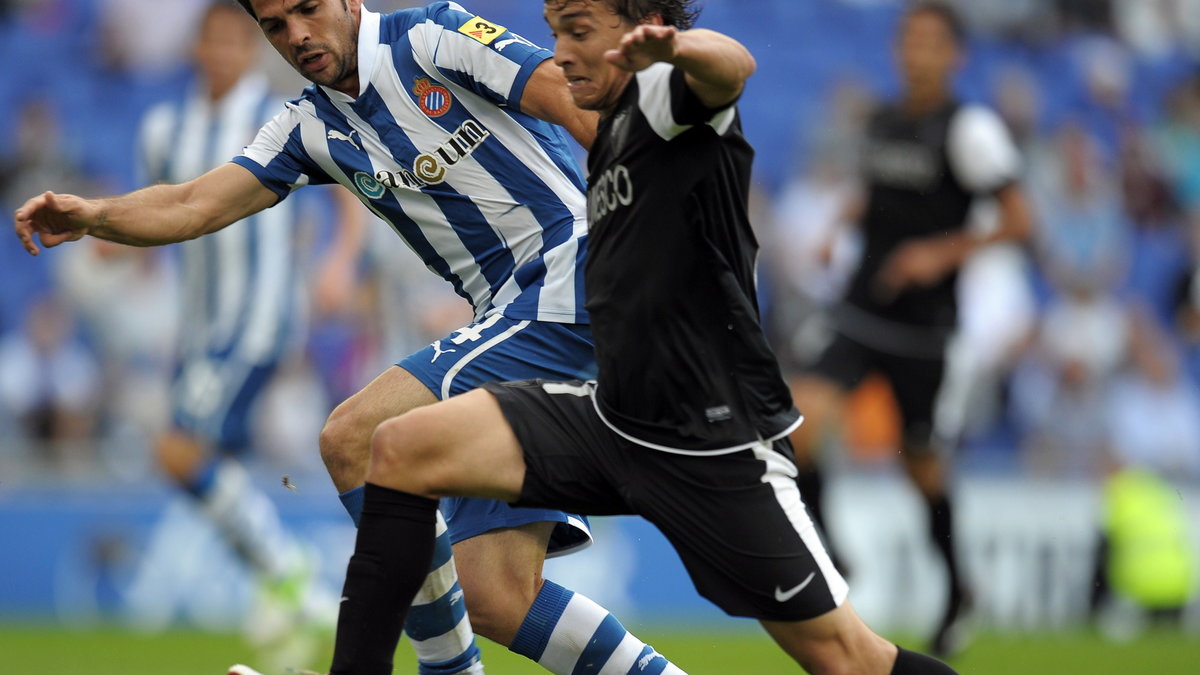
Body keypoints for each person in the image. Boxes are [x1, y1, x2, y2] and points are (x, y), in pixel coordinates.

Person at [287, 1, 961, 673]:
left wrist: (674, 50)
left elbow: (734, 67)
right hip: (612, 420)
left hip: (713, 439)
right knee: (399, 444)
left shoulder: (667, 101)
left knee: (850, 659)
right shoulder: (604, 139)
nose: (559, 52)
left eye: (577, 33)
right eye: (555, 33)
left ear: (636, 30)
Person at [14, 1, 684, 674]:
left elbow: (574, 104)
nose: (298, 35)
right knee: (494, 594)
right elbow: (194, 203)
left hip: (581, 273)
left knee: (355, 436)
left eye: (308, 9)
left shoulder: (433, 35)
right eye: (276, 25)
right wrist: (96, 214)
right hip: (509, 318)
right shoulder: (308, 125)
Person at [787, 1, 1033, 657]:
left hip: (925, 331)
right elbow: (881, 191)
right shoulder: (885, 119)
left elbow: (1018, 219)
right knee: (800, 420)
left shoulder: (969, 129)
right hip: (862, 311)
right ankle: (834, 553)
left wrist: (937, 254)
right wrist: (842, 221)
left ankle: (958, 588)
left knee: (919, 465)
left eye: (929, 42)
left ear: (955, 55)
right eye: (908, 39)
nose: (915, 52)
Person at [137, 4, 349, 653]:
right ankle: (282, 599)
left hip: (258, 319)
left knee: (177, 449)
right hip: (199, 326)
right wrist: (100, 235)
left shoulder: (281, 114)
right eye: (215, 41)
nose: (226, 52)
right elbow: (163, 209)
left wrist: (337, 260)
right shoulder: (164, 128)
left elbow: (346, 190)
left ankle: (285, 571)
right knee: (201, 462)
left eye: (238, 40)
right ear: (198, 47)